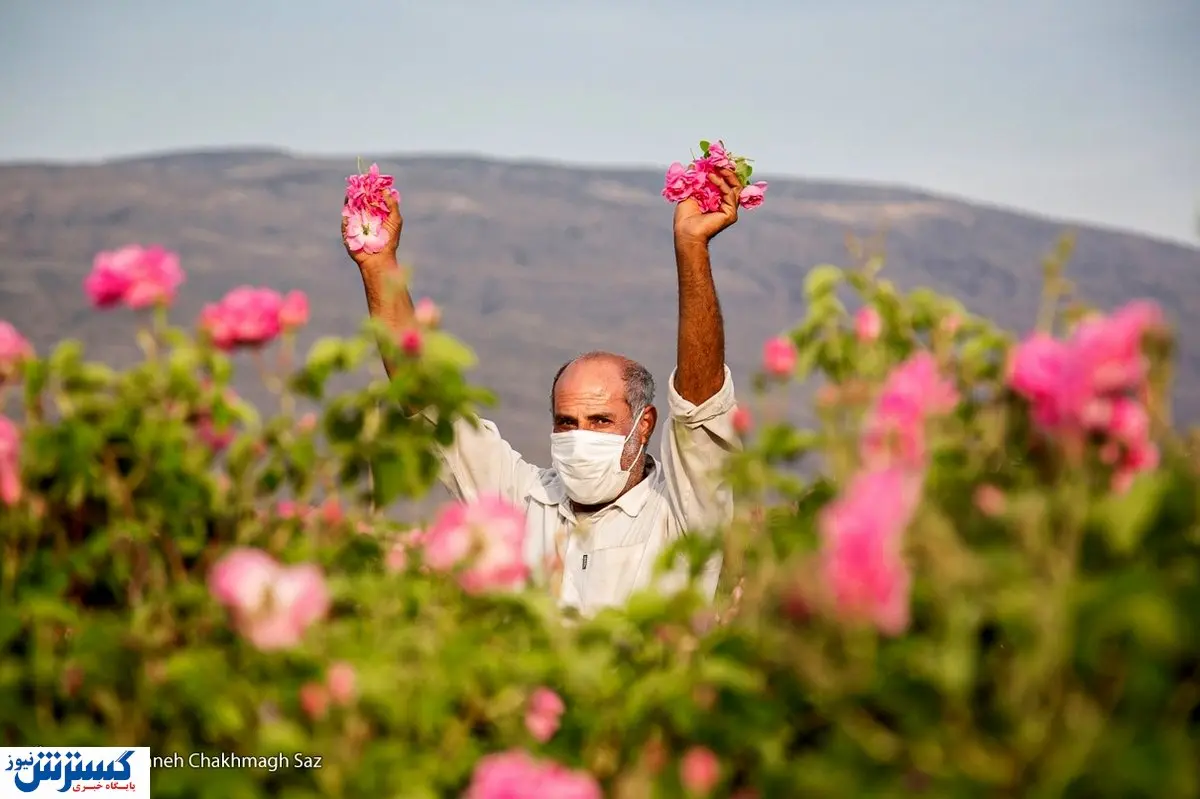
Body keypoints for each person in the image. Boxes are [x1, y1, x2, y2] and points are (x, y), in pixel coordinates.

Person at [344, 166, 744, 615]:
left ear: (643, 424)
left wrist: (691, 248)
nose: (580, 437)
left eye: (600, 421)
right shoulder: (522, 500)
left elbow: (700, 407)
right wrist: (379, 265)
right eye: (566, 422)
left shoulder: (682, 512)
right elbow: (430, 403)